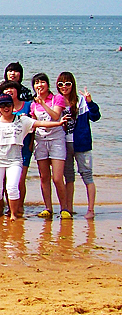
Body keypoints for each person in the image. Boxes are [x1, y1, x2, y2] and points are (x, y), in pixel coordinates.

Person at [58, 75, 99, 219]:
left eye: (67, 83)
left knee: (87, 175)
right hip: (63, 144)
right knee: (69, 177)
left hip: (82, 144)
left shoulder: (81, 101)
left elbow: (95, 116)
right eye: (61, 84)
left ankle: (91, 210)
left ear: (73, 84)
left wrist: (90, 102)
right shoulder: (57, 101)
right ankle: (68, 209)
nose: (64, 86)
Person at [30, 73, 68, 218]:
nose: (39, 85)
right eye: (36, 83)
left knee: (57, 178)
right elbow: (34, 123)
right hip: (40, 141)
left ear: (47, 84)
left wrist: (43, 103)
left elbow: (56, 116)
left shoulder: (57, 98)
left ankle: (64, 208)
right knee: (44, 177)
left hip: (56, 140)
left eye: (42, 82)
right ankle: (48, 208)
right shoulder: (33, 104)